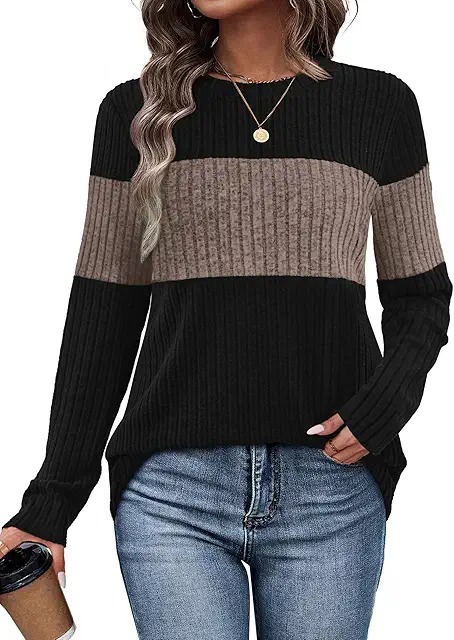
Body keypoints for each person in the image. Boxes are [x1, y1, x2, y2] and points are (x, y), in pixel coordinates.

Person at [1, 1, 452, 638]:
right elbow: (103, 314)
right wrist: (51, 502)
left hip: (331, 486)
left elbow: (422, 295)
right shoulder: (137, 113)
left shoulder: (380, 105)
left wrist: (386, 404)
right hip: (172, 492)